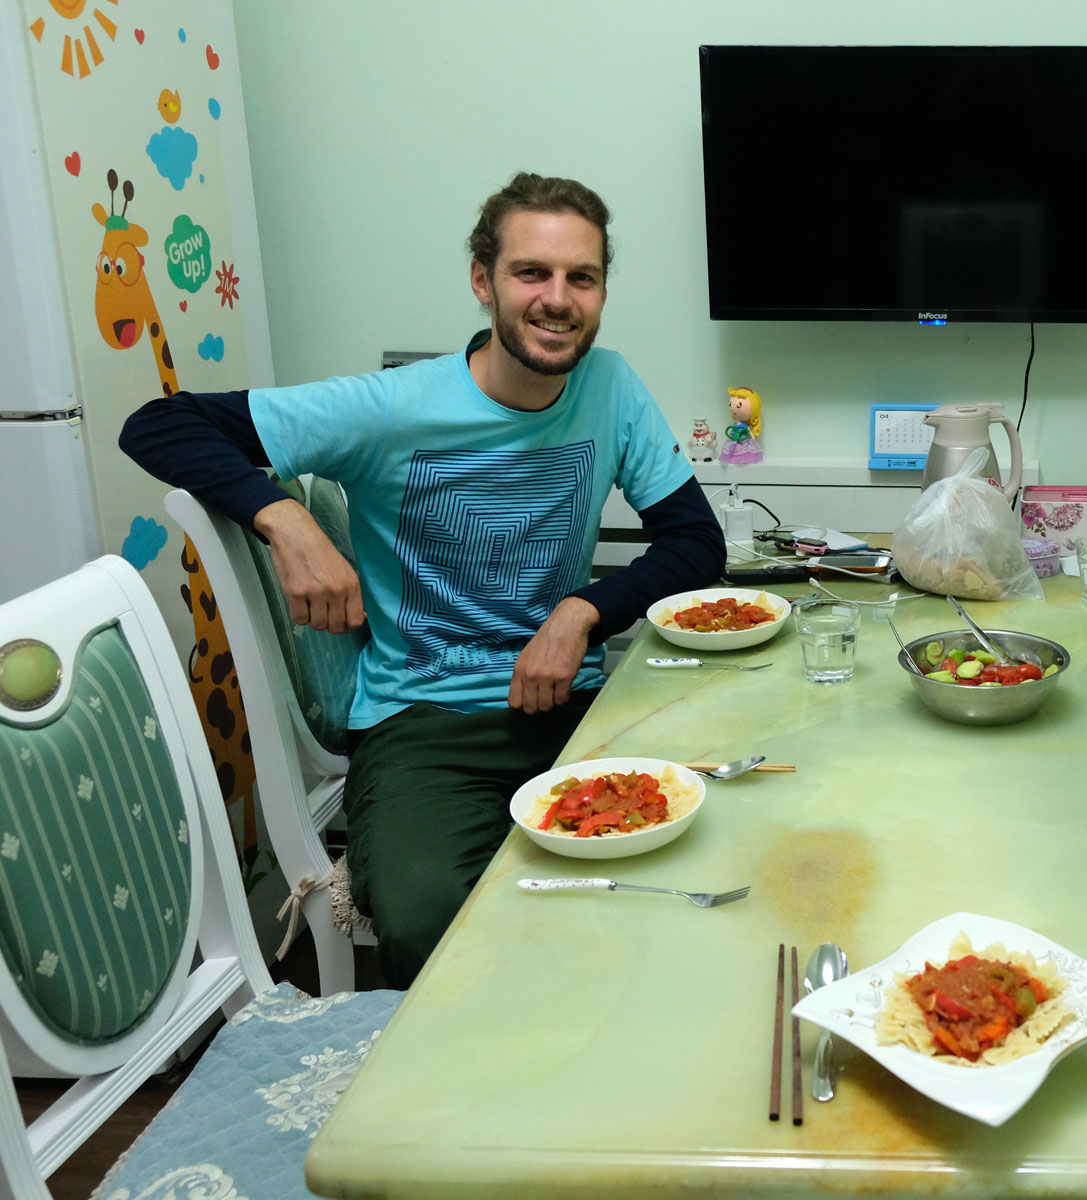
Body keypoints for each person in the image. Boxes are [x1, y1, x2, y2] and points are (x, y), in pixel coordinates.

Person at [119, 172, 726, 985]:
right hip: (427, 719)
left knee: (705, 879)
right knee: (421, 916)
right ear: (484, 282)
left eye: (581, 277)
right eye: (530, 273)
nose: (557, 298)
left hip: (583, 708)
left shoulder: (609, 386)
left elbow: (694, 542)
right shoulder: (393, 407)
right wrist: (284, 518)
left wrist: (582, 610)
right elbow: (159, 423)